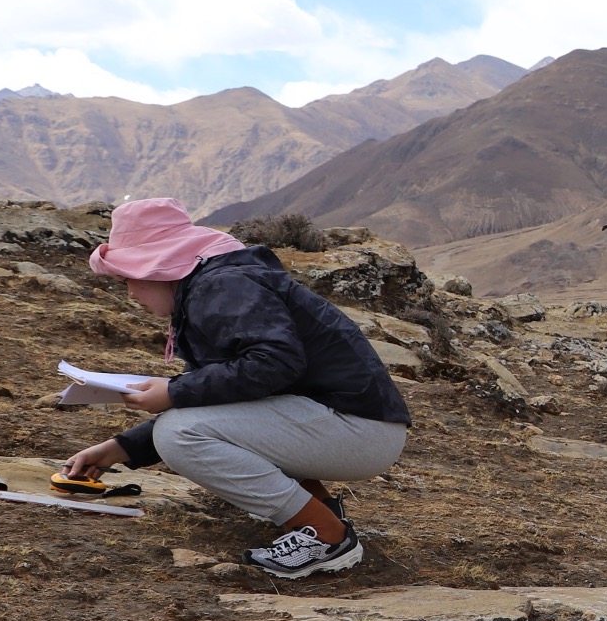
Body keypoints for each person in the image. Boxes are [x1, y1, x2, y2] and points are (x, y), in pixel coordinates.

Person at [59, 199, 411, 579]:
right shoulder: (216, 285)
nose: (129, 292)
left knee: (179, 435)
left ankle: (327, 536)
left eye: (128, 277)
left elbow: (275, 363)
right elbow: (227, 394)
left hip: (358, 431)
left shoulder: (221, 287)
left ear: (159, 266)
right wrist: (122, 448)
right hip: (352, 424)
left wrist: (174, 392)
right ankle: (319, 508)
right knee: (186, 424)